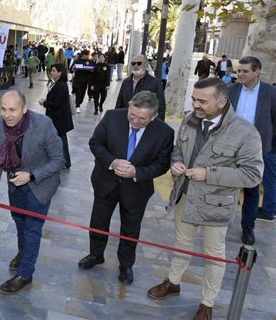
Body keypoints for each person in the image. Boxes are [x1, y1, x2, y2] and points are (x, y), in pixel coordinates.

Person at [147, 78, 263, 320]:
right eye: (193, 99)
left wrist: (208, 174)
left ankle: (207, 303)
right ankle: (173, 282)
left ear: (222, 102)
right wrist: (176, 161)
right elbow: (178, 147)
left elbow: (252, 175)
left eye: (202, 101)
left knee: (213, 255)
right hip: (185, 196)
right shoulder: (190, 119)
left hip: (216, 206)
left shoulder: (245, 132)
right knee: (181, 244)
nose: (195, 105)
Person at [79, 91, 174, 285]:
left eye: (142, 118)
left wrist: (137, 172)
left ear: (154, 116)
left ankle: (126, 265)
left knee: (130, 229)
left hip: (136, 189)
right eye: (132, 115)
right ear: (129, 106)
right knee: (98, 221)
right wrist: (112, 162)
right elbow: (95, 143)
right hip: (105, 182)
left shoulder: (165, 132)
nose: (135, 121)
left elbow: (162, 164)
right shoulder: (112, 116)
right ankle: (96, 254)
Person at [0, 90, 65, 294]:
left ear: (24, 108)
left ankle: (25, 274)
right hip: (14, 184)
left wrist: (32, 175)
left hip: (40, 185)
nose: (7, 115)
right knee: (19, 223)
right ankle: (23, 253)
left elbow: (59, 160)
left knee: (32, 230)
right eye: (3, 109)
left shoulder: (43, 125)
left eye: (13, 109)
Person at [228, 56, 276, 243]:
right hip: (230, 148)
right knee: (226, 186)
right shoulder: (230, 90)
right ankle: (221, 223)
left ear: (257, 72)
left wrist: (269, 145)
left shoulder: (270, 93)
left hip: (257, 149)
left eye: (245, 71)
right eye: (239, 70)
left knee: (252, 189)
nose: (240, 74)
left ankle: (247, 226)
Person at [115, 54, 166, 121]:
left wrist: (158, 126)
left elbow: (161, 106)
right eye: (133, 63)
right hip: (126, 122)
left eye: (139, 63)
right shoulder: (126, 82)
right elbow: (119, 103)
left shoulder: (155, 83)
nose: (136, 65)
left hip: (145, 123)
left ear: (146, 65)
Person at [42, 63, 73, 169]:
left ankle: (65, 162)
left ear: (60, 72)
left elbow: (57, 103)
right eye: (51, 70)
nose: (51, 72)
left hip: (59, 118)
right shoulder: (56, 84)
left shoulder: (61, 85)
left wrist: (44, 103)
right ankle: (58, 160)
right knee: (57, 139)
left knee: (61, 140)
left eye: (54, 71)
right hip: (55, 117)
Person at [70, 49, 94, 113]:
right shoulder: (77, 61)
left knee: (83, 93)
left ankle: (79, 103)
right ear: (83, 55)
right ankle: (77, 106)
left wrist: (92, 70)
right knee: (78, 92)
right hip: (78, 80)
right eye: (86, 55)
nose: (88, 56)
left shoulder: (90, 61)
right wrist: (74, 69)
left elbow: (93, 70)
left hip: (85, 80)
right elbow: (71, 70)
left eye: (88, 55)